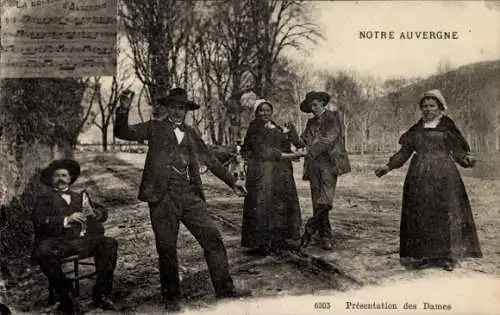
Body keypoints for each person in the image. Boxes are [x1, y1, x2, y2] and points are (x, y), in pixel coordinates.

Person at [114, 87, 252, 312]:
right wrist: (123, 109)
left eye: (182, 108)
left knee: (213, 239)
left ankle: (225, 291)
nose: (178, 112)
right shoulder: (154, 127)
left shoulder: (191, 133)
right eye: (174, 107)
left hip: (189, 195)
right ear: (166, 108)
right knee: (167, 247)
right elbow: (123, 132)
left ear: (186, 111)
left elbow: (211, 160)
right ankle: (172, 298)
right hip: (162, 196)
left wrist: (232, 181)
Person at [374, 89, 482, 271]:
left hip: (444, 175)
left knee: (444, 213)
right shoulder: (416, 129)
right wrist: (388, 166)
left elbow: (458, 152)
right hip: (419, 176)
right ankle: (423, 256)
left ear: (440, 108)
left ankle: (447, 257)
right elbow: (404, 152)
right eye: (424, 106)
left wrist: (466, 160)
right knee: (421, 213)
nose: (427, 109)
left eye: (432, 106)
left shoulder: (448, 127)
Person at [32, 159, 118, 314]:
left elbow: (102, 212)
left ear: (70, 178)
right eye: (56, 175)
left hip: (81, 240)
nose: (60, 178)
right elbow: (39, 221)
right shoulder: (43, 200)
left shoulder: (80, 197)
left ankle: (101, 293)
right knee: (42, 253)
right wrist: (67, 219)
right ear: (51, 180)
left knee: (109, 243)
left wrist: (95, 214)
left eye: (64, 175)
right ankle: (67, 295)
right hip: (57, 242)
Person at [240, 100, 306, 254]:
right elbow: (262, 151)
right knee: (264, 205)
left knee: (282, 204)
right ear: (256, 112)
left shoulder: (277, 127)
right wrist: (291, 155)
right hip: (262, 172)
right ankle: (262, 242)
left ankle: (281, 239)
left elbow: (293, 143)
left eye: (268, 110)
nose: (265, 113)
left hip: (281, 173)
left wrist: (292, 131)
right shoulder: (254, 128)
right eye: (261, 110)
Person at [299, 91, 351, 250]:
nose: (313, 108)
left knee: (326, 200)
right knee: (317, 200)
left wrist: (310, 150)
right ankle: (324, 236)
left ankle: (309, 230)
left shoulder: (333, 118)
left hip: (330, 163)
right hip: (313, 165)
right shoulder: (310, 123)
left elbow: (328, 139)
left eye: (315, 105)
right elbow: (303, 140)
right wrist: (290, 134)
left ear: (322, 103)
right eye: (311, 106)